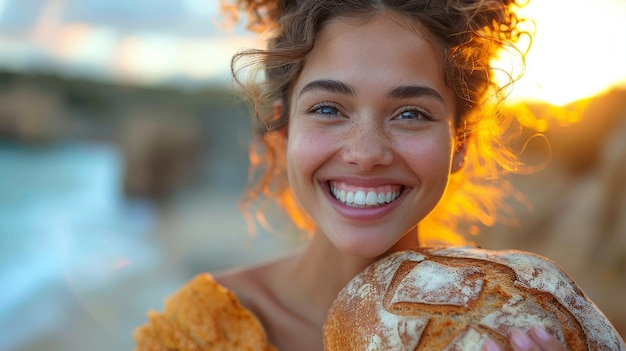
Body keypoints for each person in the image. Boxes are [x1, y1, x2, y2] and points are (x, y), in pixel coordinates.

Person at [133, 1, 622, 350]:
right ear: (281, 130)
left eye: (410, 113)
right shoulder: (194, 335)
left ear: (460, 144)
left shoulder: (528, 330)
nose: (366, 153)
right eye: (328, 108)